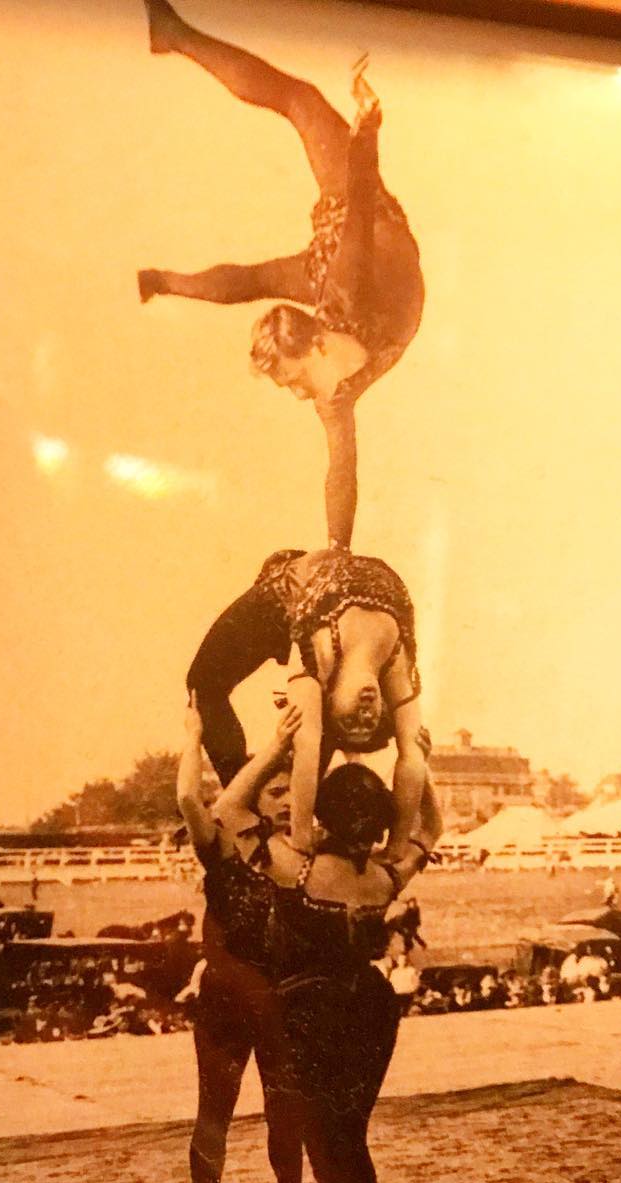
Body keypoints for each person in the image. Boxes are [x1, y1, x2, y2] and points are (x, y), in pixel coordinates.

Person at [139, 0, 424, 549]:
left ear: (315, 342)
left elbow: (359, 204)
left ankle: (174, 36)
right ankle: (160, 280)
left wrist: (368, 129)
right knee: (259, 274)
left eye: (291, 380)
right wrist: (366, 130)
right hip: (351, 245)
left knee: (302, 103)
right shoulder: (334, 374)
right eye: (292, 384)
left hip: (359, 230)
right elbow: (341, 471)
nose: (296, 395)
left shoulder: (339, 315)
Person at [220, 747, 443, 1183]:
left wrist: (278, 746)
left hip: (309, 1010)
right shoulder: (387, 875)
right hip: (370, 1005)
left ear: (323, 813)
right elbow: (432, 826)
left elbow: (228, 807)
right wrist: (416, 760)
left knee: (325, 1144)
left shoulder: (294, 868)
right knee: (351, 1138)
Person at [176, 694, 324, 1183]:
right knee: (214, 1112)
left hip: (280, 997)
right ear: (254, 797)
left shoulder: (296, 858)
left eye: (291, 792)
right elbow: (188, 797)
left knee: (287, 1107)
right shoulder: (218, 846)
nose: (287, 801)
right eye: (276, 792)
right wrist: (193, 736)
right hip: (227, 999)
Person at [187, 546, 426, 856]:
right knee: (319, 734)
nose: (364, 712)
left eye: (350, 719)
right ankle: (264, 803)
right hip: (331, 575)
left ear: (329, 699)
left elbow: (308, 748)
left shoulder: (318, 659)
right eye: (369, 721)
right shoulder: (397, 669)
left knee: (202, 686)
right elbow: (412, 759)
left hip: (288, 594)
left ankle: (249, 800)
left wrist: (300, 839)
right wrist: (396, 847)